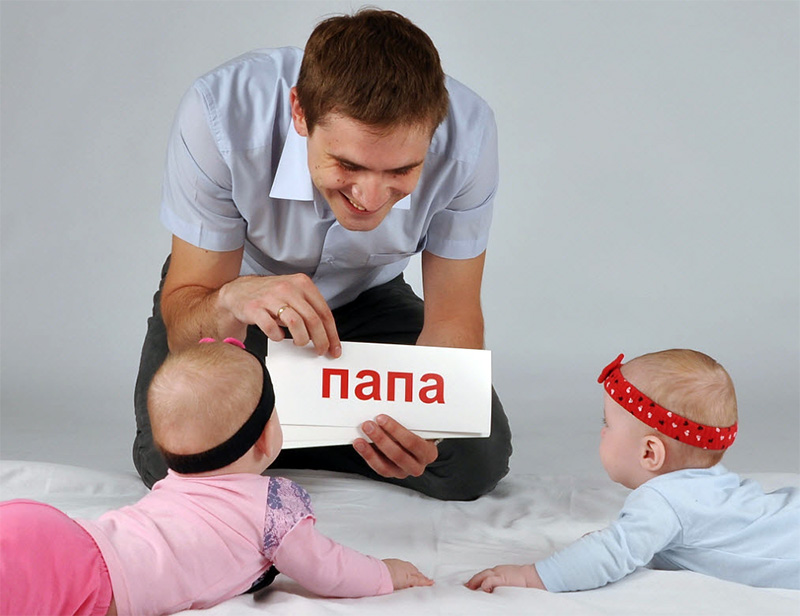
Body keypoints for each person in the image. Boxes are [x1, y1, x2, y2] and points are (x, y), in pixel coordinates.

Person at [132, 8, 511, 500]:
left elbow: (454, 317)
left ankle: (275, 429)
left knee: (470, 460)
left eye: (401, 171)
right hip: (240, 299)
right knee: (167, 459)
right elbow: (188, 315)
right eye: (347, 164)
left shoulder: (469, 137)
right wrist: (232, 300)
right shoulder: (221, 113)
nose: (370, 198)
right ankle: (311, 420)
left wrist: (428, 426)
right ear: (300, 112)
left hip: (368, 297)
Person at [1, 339, 433, 616]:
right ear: (266, 437)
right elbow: (326, 567)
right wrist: (384, 573)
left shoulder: (173, 482)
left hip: (60, 533)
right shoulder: (273, 508)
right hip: (95, 580)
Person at [466, 349, 800, 592]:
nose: (602, 432)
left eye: (608, 424)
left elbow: (609, 555)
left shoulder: (663, 500)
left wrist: (532, 576)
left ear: (649, 453)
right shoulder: (712, 484)